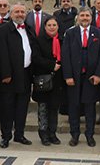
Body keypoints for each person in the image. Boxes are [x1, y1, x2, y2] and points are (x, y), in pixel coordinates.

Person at [61, 7, 100, 147]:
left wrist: (99, 75)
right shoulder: (70, 33)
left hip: (91, 77)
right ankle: (74, 135)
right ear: (78, 17)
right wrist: (68, 76)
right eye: (82, 15)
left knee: (90, 108)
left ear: (91, 17)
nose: (85, 18)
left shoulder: (99, 33)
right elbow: (65, 55)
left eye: (87, 15)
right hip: (74, 77)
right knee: (74, 107)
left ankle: (90, 135)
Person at [0, 3, 37, 148]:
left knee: (22, 106)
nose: (20, 14)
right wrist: (6, 74)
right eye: (17, 12)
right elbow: (2, 54)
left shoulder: (29, 29)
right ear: (11, 13)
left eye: (22, 12)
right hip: (10, 76)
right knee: (7, 107)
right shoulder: (3, 30)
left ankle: (19, 134)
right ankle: (6, 136)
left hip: (26, 74)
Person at [31, 17, 65, 146]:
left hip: (57, 80)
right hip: (43, 79)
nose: (52, 27)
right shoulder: (38, 40)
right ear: (45, 27)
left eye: (54, 25)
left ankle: (52, 133)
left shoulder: (62, 40)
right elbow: (36, 58)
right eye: (49, 25)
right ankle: (43, 133)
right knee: (43, 108)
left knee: (54, 108)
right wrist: (52, 65)